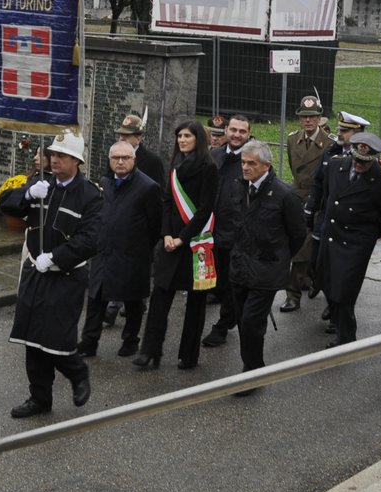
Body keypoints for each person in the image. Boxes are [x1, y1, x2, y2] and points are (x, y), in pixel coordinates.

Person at [0, 129, 100, 416]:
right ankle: (40, 398)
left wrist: (56, 257)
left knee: (56, 338)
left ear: (76, 161)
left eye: (62, 156)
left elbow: (90, 240)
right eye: (53, 154)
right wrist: (27, 194)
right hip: (35, 271)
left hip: (65, 275)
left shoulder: (90, 195)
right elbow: (4, 203)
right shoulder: (40, 183)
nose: (54, 160)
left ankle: (78, 373)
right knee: (32, 337)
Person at [136, 120, 219, 370]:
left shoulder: (209, 168)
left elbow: (205, 209)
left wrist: (183, 236)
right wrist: (166, 235)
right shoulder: (176, 164)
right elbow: (168, 201)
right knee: (160, 296)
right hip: (172, 242)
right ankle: (150, 350)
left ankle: (189, 354)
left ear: (198, 140)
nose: (182, 140)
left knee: (195, 303)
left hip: (195, 244)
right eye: (179, 136)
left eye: (187, 136)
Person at [229, 139, 306, 390]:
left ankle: (250, 374)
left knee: (252, 320)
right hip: (240, 265)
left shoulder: (284, 195)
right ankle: (254, 365)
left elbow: (297, 235)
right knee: (242, 319)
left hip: (267, 269)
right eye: (243, 162)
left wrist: (278, 257)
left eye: (252, 163)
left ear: (266, 166)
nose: (246, 167)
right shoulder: (240, 187)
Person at [307, 132, 381, 348]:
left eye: (364, 162)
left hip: (356, 243)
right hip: (332, 235)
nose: (359, 165)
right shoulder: (336, 167)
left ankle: (346, 336)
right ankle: (337, 321)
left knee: (344, 289)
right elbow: (328, 197)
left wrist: (368, 233)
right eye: (356, 160)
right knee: (326, 280)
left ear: (372, 159)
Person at [77, 141, 161, 359]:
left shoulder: (148, 187)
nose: (120, 162)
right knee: (96, 297)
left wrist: (140, 247)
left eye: (125, 157)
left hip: (133, 254)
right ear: (110, 160)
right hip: (104, 251)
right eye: (116, 158)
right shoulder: (105, 182)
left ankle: (130, 340)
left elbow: (155, 225)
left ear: (134, 159)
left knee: (132, 300)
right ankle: (89, 341)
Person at [202, 114, 252, 349]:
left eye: (242, 131)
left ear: (248, 134)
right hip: (212, 231)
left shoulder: (252, 160)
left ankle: (223, 325)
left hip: (236, 234)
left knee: (233, 284)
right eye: (233, 130)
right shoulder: (215, 155)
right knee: (219, 279)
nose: (236, 135)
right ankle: (224, 308)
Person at [282, 95, 334, 312]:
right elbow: (295, 169)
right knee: (299, 247)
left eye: (312, 117)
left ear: (320, 118)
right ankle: (295, 292)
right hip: (297, 199)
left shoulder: (329, 143)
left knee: (309, 248)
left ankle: (302, 284)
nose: (308, 121)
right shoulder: (293, 139)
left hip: (319, 201)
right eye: (304, 117)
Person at [116, 113, 166, 188]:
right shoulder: (114, 157)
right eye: (121, 135)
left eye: (127, 135)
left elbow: (159, 191)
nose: (122, 139)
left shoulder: (153, 161)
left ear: (138, 139)